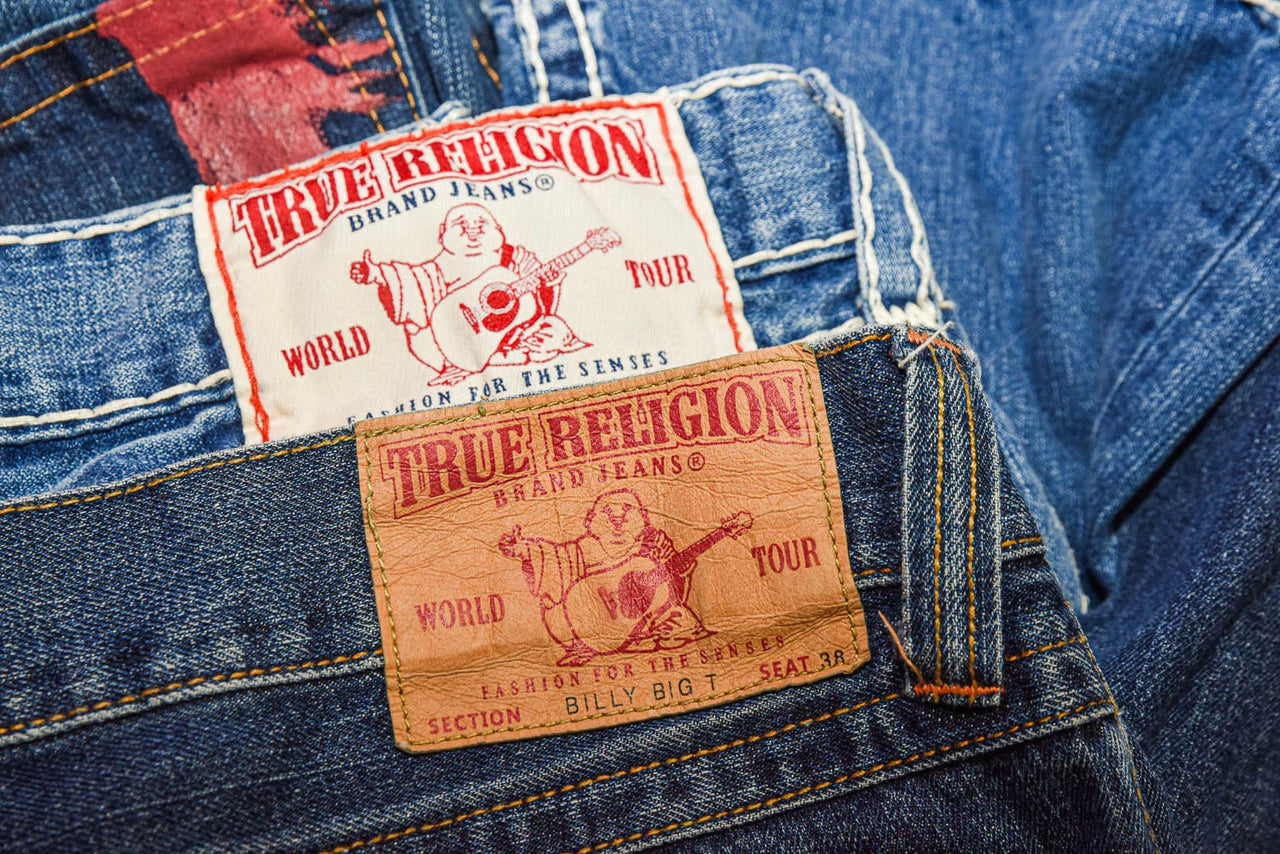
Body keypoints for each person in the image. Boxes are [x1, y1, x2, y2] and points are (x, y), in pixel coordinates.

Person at [349, 203, 586, 384]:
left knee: (555, 330)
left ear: (499, 230)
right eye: (461, 224)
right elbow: (408, 281)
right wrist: (376, 273)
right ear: (442, 233)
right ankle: (460, 366)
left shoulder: (515, 258)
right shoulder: (436, 269)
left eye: (482, 224)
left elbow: (540, 299)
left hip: (511, 336)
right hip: (445, 341)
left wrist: (549, 285)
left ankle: (499, 359)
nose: (472, 230)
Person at [498, 489, 712, 666]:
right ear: (591, 521)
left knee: (679, 620)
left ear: (642, 520)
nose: (617, 521)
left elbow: (670, 591)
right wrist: (521, 549)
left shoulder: (653, 545)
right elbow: (551, 555)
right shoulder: (584, 549)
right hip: (592, 627)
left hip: (647, 624)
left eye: (627, 512)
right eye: (607, 513)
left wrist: (680, 572)